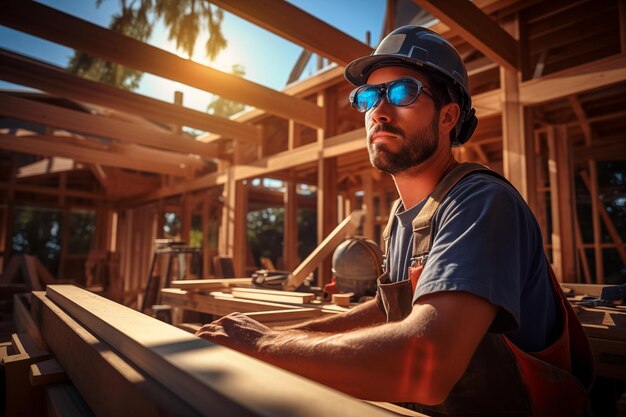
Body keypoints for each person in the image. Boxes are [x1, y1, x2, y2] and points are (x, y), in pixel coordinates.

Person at [196, 26, 593, 416]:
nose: (379, 112)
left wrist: (264, 347)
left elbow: (426, 368)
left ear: (448, 116)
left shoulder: (481, 203)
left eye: (403, 92)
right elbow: (389, 311)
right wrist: (284, 336)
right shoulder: (400, 221)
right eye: (369, 97)